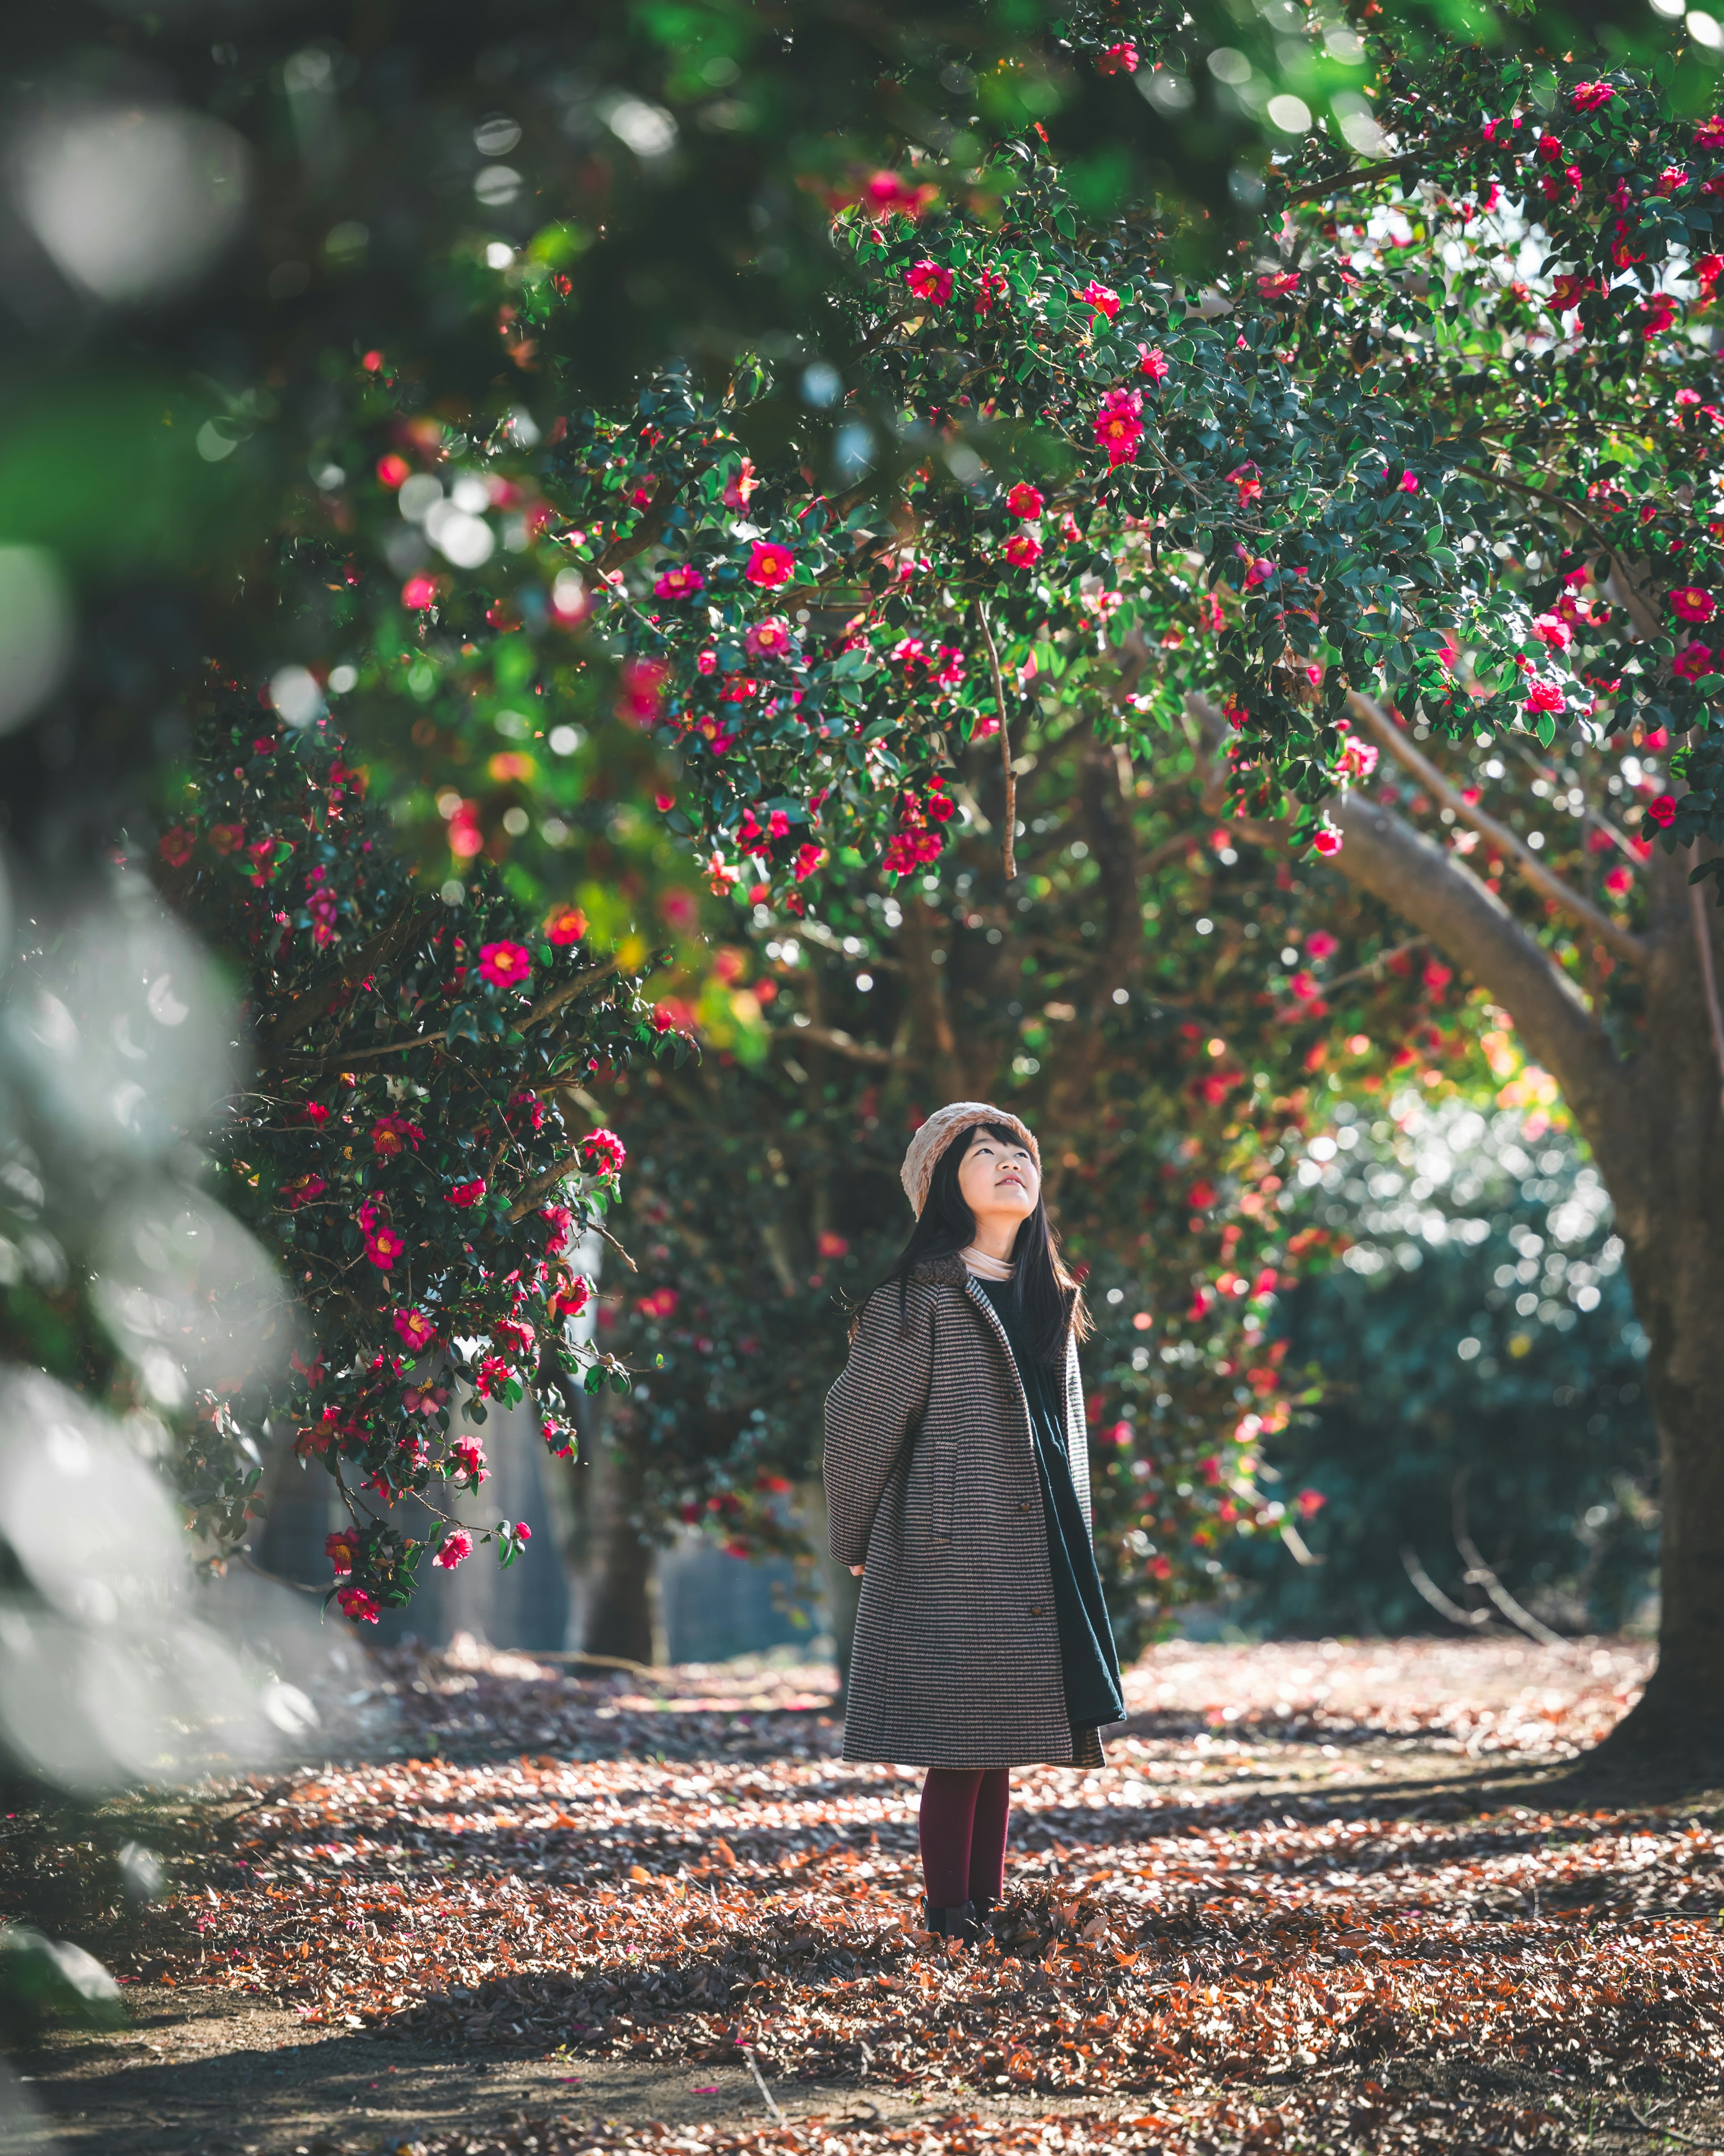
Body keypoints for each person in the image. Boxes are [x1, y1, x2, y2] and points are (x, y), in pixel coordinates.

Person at [822, 1100, 1125, 1945]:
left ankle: (985, 1910)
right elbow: (858, 1421)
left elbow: (1070, 1441)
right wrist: (855, 1542)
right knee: (957, 1746)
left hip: (1037, 1549)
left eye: (1021, 1152)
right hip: (950, 1544)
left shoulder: (1049, 1297)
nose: (1010, 1163)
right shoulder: (918, 1298)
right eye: (984, 1151)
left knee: (1001, 1745)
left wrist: (1081, 1550)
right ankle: (950, 1918)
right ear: (941, 1187)